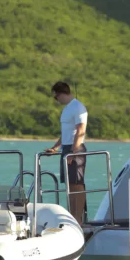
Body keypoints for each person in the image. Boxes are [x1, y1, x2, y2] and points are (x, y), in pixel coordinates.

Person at [44, 81, 88, 225]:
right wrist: (56, 147)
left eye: (56, 97)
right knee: (69, 184)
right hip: (67, 148)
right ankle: (72, 217)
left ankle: (78, 219)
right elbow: (66, 133)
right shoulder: (67, 109)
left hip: (75, 149)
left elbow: (81, 130)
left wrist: (74, 152)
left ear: (62, 93)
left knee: (77, 184)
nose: (56, 100)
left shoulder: (77, 107)